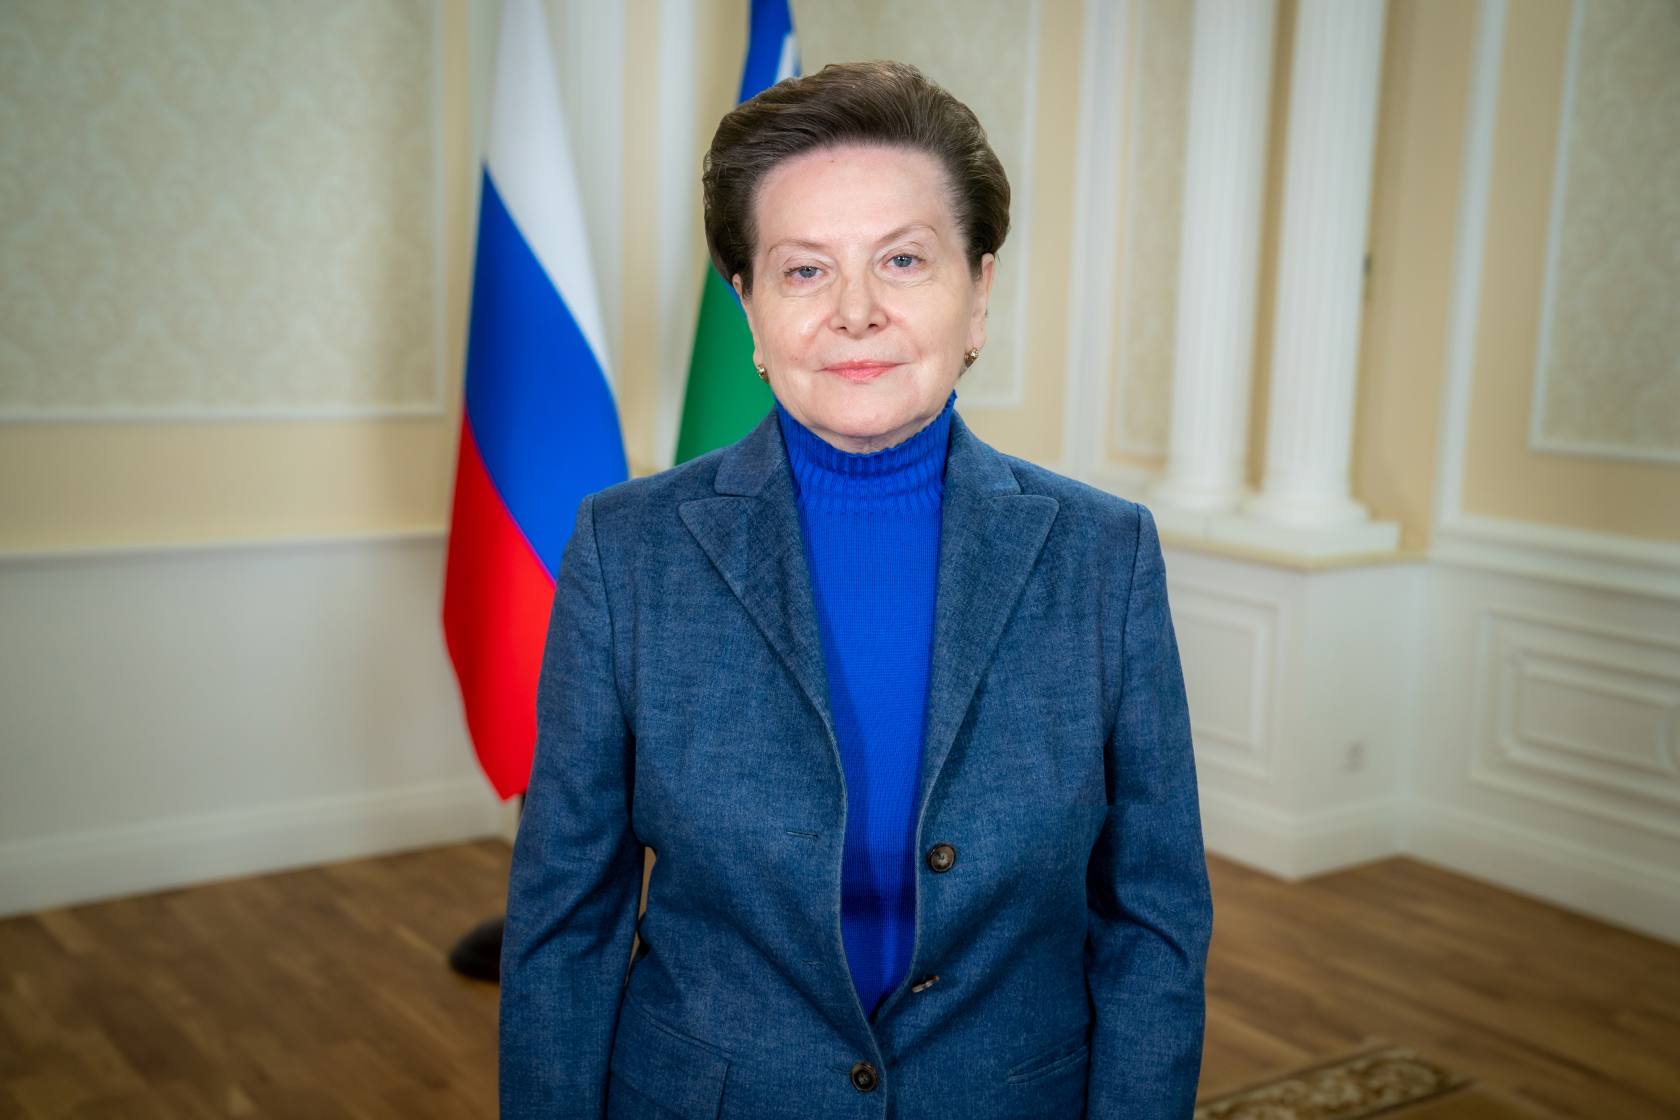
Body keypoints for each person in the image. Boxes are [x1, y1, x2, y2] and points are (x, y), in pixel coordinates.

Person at [499, 59, 1213, 1120]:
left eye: (904, 260)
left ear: (979, 292)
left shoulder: (1104, 556)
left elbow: (1154, 920)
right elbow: (567, 918)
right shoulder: (627, 550)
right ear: (748, 307)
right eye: (804, 271)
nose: (857, 312)